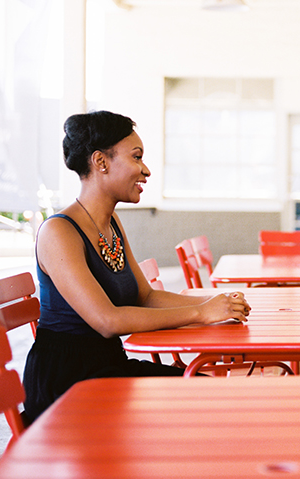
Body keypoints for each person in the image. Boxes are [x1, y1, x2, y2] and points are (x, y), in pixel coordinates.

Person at [23, 110, 251, 421]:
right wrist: (201, 313)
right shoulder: (59, 232)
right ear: (101, 162)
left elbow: (146, 296)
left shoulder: (110, 222)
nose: (145, 171)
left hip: (109, 368)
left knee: (210, 393)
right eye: (136, 157)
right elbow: (107, 321)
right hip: (69, 384)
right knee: (207, 400)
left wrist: (214, 303)